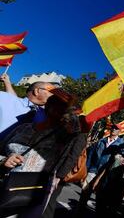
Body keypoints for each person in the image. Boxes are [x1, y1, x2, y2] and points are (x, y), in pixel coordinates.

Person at [0, 89, 80, 217]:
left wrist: (72, 108)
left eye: (63, 109)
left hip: (27, 194)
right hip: (3, 183)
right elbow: (1, 149)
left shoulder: (63, 138)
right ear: (48, 106)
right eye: (55, 105)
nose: (57, 110)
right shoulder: (23, 128)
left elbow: (77, 133)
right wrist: (4, 160)